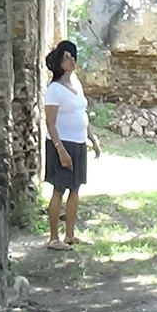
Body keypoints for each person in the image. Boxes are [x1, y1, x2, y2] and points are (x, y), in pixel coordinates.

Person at [43, 40, 100, 250]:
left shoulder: (76, 84)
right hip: (62, 143)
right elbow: (50, 122)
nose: (71, 60)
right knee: (59, 189)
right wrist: (60, 150)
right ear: (59, 62)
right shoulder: (54, 90)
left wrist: (92, 139)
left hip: (78, 142)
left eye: (72, 56)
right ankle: (53, 238)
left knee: (75, 189)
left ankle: (70, 234)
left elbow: (81, 114)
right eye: (66, 57)